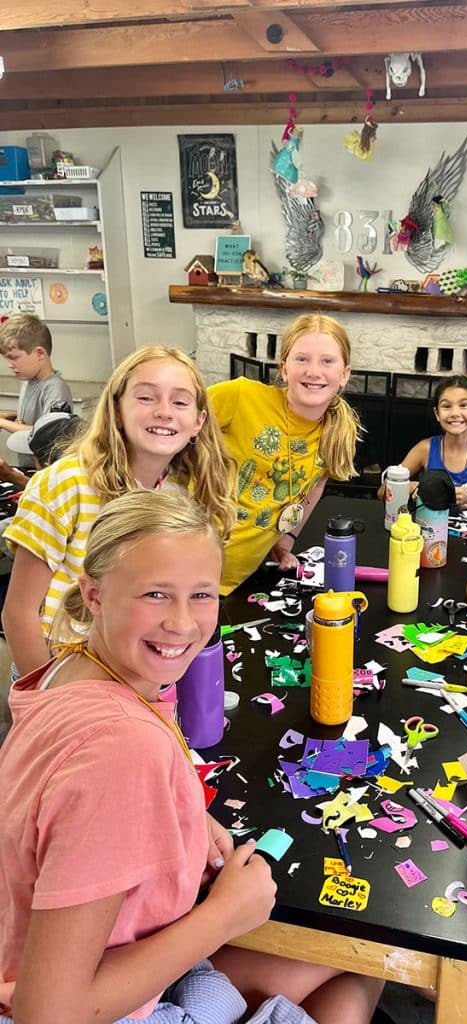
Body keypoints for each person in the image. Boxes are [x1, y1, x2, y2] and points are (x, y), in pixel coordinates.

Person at [0, 490, 383, 1024]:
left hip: (52, 951)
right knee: (366, 968)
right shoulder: (122, 748)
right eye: (155, 594)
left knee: (354, 969)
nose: (182, 624)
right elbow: (49, 1012)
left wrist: (185, 818)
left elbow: (67, 806)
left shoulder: (71, 670)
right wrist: (224, 918)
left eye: (202, 595)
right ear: (92, 594)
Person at [1, 345, 236, 677]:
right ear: (117, 409)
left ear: (198, 421)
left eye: (180, 402)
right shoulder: (65, 483)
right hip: (56, 672)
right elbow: (18, 612)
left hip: (128, 674)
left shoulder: (180, 493)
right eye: (146, 398)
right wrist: (48, 701)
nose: (164, 411)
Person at [208, 314, 361, 595]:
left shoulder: (338, 430)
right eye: (302, 359)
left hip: (238, 581)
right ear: (284, 368)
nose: (314, 371)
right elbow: (178, 419)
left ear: (344, 375)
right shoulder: (241, 395)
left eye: (327, 361)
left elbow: (316, 484)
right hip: (180, 570)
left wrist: (286, 539)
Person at [376, 375, 467, 511]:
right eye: (446, 406)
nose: (455, 413)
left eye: (464, 405)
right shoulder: (425, 449)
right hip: (428, 528)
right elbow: (382, 492)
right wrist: (407, 487)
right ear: (437, 413)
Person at [0, 314, 73, 473]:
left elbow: (45, 433)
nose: (10, 365)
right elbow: (36, 418)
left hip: (45, 471)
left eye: (14, 358)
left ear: (39, 353)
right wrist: (9, 417)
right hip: (28, 466)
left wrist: (3, 424)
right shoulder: (27, 380)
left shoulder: (55, 389)